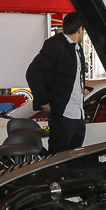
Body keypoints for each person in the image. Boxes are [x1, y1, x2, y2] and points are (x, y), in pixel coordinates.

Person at [26, 12, 86, 154]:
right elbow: (33, 73)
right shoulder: (56, 45)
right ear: (80, 29)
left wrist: (81, 89)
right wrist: (43, 101)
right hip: (63, 114)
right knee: (58, 157)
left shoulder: (77, 48)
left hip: (78, 114)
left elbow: (69, 77)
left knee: (75, 158)